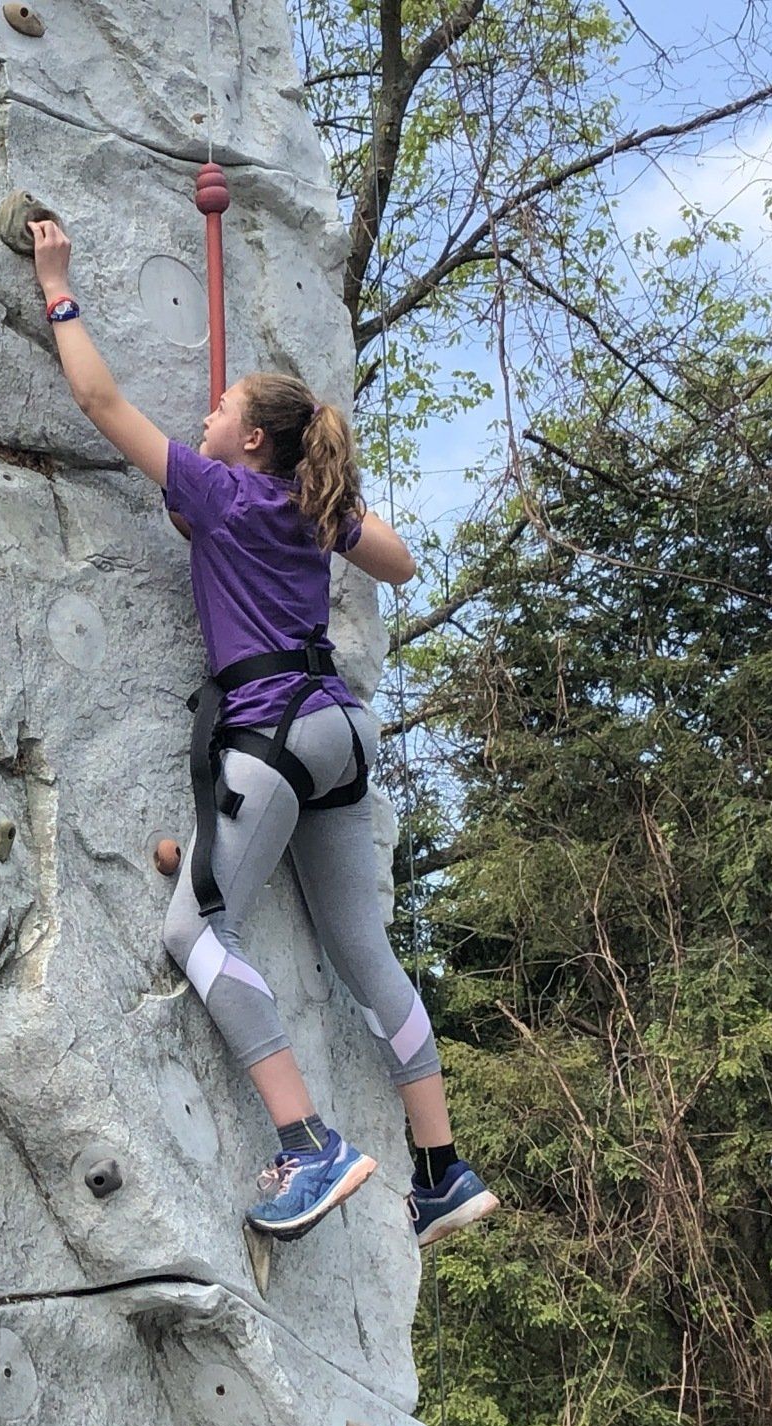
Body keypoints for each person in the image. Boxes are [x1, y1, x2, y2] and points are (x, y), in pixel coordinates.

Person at [28, 219, 496, 1248]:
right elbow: (401, 561)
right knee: (363, 948)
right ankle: (442, 1170)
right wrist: (321, 509)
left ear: (249, 440)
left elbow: (101, 403)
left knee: (194, 934)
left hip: (270, 735)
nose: (207, 410)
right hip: (342, 732)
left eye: (223, 406)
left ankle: (311, 1144)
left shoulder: (227, 491)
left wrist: (59, 289)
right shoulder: (305, 504)